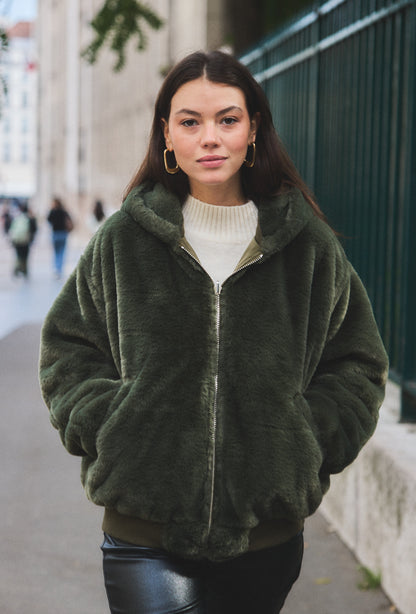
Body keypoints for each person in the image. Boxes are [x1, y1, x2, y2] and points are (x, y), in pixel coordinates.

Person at [39, 50, 389, 614]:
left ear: (253, 131)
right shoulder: (125, 238)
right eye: (190, 121)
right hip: (144, 533)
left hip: (267, 534)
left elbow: (357, 362)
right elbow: (68, 351)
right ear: (167, 135)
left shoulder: (306, 244)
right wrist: (115, 427)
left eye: (228, 119)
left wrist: (306, 437)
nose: (210, 138)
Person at [46, 197, 73, 278]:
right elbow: (70, 220)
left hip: (55, 234)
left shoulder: (53, 211)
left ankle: (56, 269)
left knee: (56, 252)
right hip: (63, 234)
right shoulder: (64, 211)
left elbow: (48, 220)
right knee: (61, 252)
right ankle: (59, 269)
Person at [8, 203, 37, 277]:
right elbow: (34, 229)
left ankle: (17, 268)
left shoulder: (17, 218)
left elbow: (11, 229)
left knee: (18, 254)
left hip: (17, 240)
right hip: (26, 240)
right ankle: (24, 270)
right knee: (25, 255)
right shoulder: (30, 218)